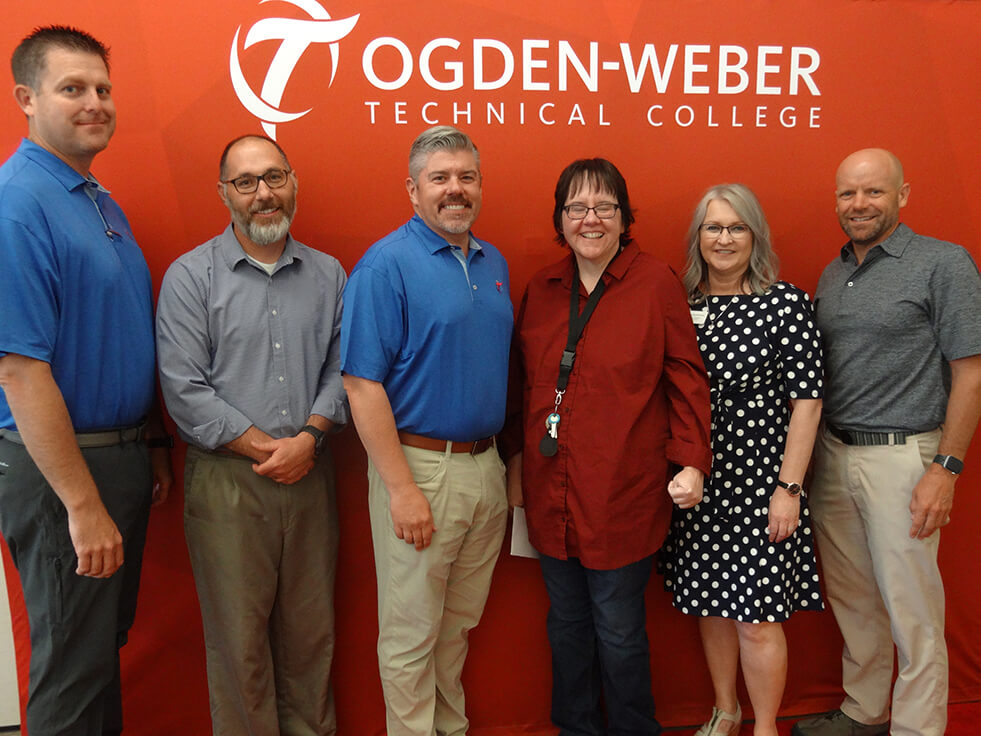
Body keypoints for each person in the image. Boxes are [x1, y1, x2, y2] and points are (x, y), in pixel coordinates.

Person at [498, 158, 712, 736]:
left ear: (623, 217)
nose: (590, 219)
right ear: (560, 219)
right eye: (576, 208)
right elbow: (519, 385)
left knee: (618, 631)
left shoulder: (657, 282)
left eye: (604, 207)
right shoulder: (542, 289)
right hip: (550, 495)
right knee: (566, 626)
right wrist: (515, 464)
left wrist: (692, 462)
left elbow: (686, 379)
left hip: (624, 495)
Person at [0, 25, 173, 736]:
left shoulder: (96, 199)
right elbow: (19, 368)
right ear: (26, 98)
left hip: (118, 456)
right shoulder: (17, 204)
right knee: (72, 673)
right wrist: (81, 503)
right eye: (72, 88)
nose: (94, 102)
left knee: (98, 656)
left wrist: (149, 443)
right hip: (64, 473)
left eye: (103, 88)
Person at [155, 134, 348, 735]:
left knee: (311, 637)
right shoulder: (191, 277)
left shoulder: (329, 274)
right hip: (228, 484)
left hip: (310, 475)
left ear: (293, 183)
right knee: (239, 647)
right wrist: (271, 450)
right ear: (224, 194)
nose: (263, 194)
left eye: (274, 177)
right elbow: (183, 389)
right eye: (245, 182)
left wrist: (307, 440)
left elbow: (344, 370)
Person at [792, 149, 981, 736]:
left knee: (912, 609)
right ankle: (865, 711)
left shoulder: (942, 263)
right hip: (834, 454)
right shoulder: (833, 273)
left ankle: (918, 729)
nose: (859, 205)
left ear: (902, 195)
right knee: (855, 599)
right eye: (847, 194)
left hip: (904, 458)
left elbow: (972, 373)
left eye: (873, 192)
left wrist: (945, 468)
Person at [341, 125, 512, 736]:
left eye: (466, 177)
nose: (454, 189)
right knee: (411, 633)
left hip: (485, 469)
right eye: (439, 178)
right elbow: (361, 384)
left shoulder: (494, 263)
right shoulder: (385, 265)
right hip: (419, 471)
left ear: (480, 185)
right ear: (413, 190)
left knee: (456, 627)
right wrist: (401, 489)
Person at [661, 184, 824, 736]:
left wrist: (789, 489)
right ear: (697, 237)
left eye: (737, 227)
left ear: (755, 236)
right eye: (713, 227)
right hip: (699, 480)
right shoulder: (681, 303)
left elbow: (808, 403)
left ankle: (766, 727)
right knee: (711, 604)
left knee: (757, 619)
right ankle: (726, 710)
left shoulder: (785, 304)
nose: (724, 239)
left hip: (764, 485)